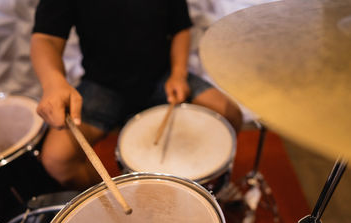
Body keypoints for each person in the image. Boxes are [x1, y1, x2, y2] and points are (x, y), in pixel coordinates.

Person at [30, 0, 242, 190]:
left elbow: (181, 29)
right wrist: (53, 83)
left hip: (162, 77)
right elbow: (45, 38)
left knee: (230, 114)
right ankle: (115, 201)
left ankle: (209, 190)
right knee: (56, 159)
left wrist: (178, 73)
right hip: (103, 85)